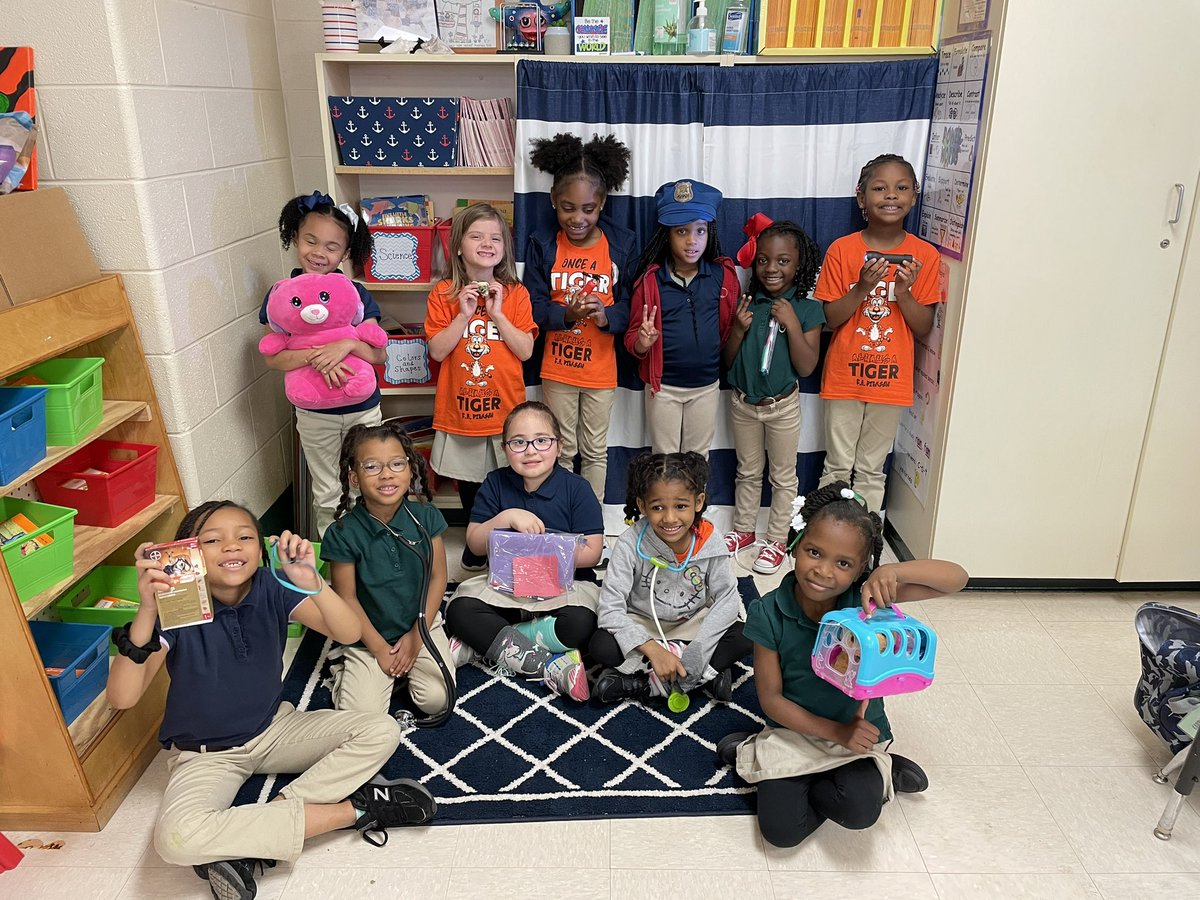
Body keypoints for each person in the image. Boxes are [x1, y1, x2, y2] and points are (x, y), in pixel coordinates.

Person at [105, 501, 437, 900]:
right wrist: (146, 608)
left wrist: (312, 581)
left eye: (244, 537)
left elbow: (347, 632)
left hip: (274, 728)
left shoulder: (271, 585)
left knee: (380, 728)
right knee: (175, 840)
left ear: (260, 550)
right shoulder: (179, 603)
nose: (231, 547)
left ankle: (255, 836)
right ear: (188, 554)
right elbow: (122, 697)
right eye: (213, 540)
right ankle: (360, 809)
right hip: (205, 753)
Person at [716, 482, 968, 848]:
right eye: (814, 552)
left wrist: (894, 574)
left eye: (844, 563)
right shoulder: (768, 612)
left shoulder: (868, 598)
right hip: (796, 732)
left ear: (860, 568)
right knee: (782, 834)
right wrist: (836, 734)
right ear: (794, 546)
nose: (823, 571)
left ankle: (884, 769)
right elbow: (771, 701)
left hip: (858, 737)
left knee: (859, 813)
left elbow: (956, 579)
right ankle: (766, 754)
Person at [445, 401, 602, 701]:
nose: (531, 450)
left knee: (585, 624)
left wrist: (539, 555)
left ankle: (487, 644)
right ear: (505, 448)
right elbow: (475, 543)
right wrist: (506, 518)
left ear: (559, 445)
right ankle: (550, 664)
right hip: (506, 588)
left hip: (563, 589)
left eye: (542, 441)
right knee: (459, 610)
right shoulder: (495, 483)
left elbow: (593, 551)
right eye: (519, 442)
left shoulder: (577, 488)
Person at [815, 154, 940, 513]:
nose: (891, 196)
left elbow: (922, 327)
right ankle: (827, 538)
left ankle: (863, 544)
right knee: (837, 467)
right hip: (844, 378)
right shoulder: (843, 249)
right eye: (880, 188)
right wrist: (861, 288)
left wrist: (903, 292)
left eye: (901, 188)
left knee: (871, 470)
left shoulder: (923, 256)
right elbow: (830, 319)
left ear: (914, 196)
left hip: (891, 381)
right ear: (861, 197)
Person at [262, 192, 386, 538]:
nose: (319, 253)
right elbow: (274, 358)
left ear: (346, 253)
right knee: (328, 490)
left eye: (332, 247)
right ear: (295, 240)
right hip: (315, 416)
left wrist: (346, 344)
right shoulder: (283, 294)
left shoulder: (355, 294)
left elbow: (378, 354)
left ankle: (372, 548)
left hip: (363, 409)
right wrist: (317, 355)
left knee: (370, 481)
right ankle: (335, 561)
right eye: (310, 241)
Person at [524, 133, 636, 502]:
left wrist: (606, 317)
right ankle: (561, 516)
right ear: (554, 201)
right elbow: (533, 304)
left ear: (601, 204)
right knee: (561, 447)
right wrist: (565, 314)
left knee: (595, 450)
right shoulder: (543, 243)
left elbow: (632, 302)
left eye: (587, 209)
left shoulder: (620, 244)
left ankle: (591, 524)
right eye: (568, 208)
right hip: (557, 368)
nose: (577, 217)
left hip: (601, 370)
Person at [424, 203, 537, 569]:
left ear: (505, 247)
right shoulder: (443, 292)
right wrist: (463, 315)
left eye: (495, 237)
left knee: (509, 480)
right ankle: (477, 543)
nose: (486, 243)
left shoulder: (516, 293)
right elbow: (438, 351)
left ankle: (505, 547)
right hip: (463, 410)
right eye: (476, 236)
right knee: (471, 483)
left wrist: (499, 313)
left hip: (505, 410)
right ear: (458, 245)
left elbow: (524, 349)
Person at [590, 451, 750, 703]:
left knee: (748, 632)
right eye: (657, 508)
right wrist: (652, 648)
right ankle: (705, 675)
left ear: (698, 502)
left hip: (693, 624)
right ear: (642, 506)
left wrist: (699, 650)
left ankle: (647, 684)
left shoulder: (710, 541)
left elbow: (728, 599)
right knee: (600, 645)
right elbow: (610, 610)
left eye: (681, 506)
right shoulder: (629, 544)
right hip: (644, 622)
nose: (670, 518)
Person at [321, 421, 455, 720]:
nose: (386, 474)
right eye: (372, 467)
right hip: (368, 635)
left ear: (410, 470)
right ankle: (349, 673)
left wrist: (416, 636)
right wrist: (380, 648)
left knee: (437, 702)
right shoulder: (342, 533)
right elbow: (348, 599)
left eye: (397, 463)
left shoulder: (426, 517)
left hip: (420, 625)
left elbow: (438, 578)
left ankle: (415, 663)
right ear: (354, 477)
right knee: (361, 718)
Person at [722, 215, 825, 576]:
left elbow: (807, 365)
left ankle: (778, 540)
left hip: (782, 407)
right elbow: (729, 362)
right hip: (744, 403)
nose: (771, 268)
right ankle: (744, 530)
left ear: (799, 266)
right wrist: (737, 329)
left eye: (783, 261)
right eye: (764, 260)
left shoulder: (808, 309)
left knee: (784, 477)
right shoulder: (748, 304)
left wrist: (793, 324)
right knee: (747, 471)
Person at [625, 180, 739, 455]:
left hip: (706, 386)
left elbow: (726, 330)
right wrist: (643, 342)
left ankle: (696, 500)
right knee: (664, 459)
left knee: (698, 459)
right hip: (663, 388)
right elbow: (631, 340)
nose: (692, 240)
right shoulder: (650, 281)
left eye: (700, 230)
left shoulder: (723, 276)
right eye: (681, 231)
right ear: (667, 235)